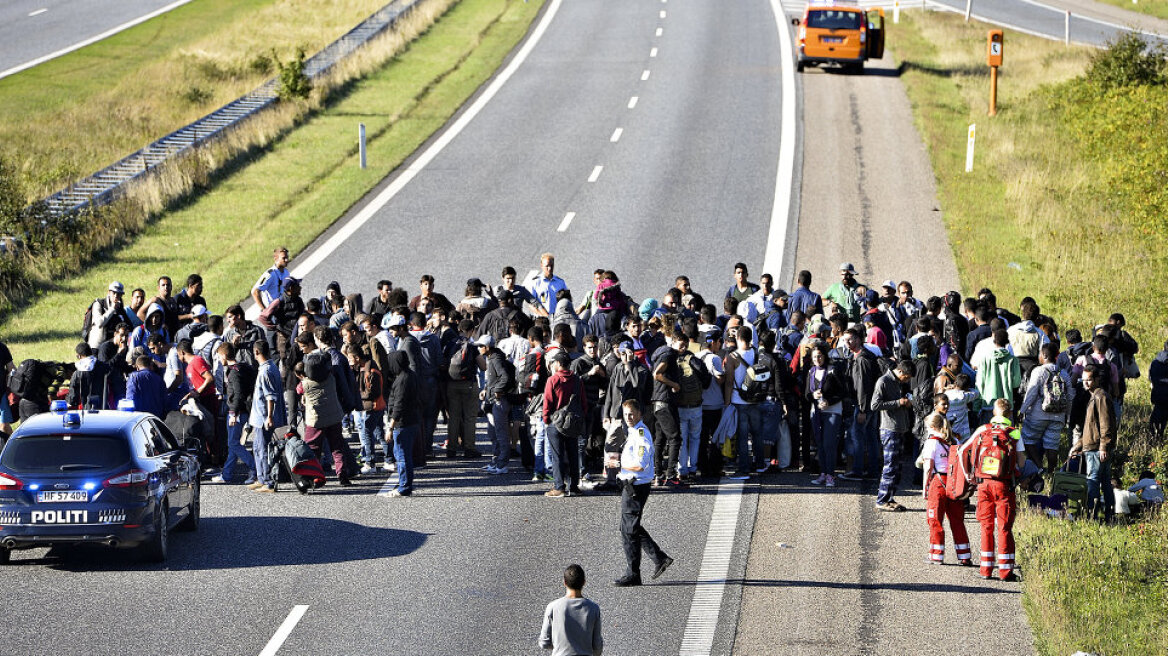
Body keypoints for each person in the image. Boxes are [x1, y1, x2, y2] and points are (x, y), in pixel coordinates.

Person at [614, 400, 673, 587]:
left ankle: (636, 571)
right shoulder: (633, 431)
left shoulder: (641, 434)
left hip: (636, 486)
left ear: (639, 413)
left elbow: (640, 464)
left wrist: (618, 465)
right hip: (631, 484)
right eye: (626, 414)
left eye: (631, 414)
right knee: (629, 528)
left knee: (629, 529)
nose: (628, 418)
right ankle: (656, 560)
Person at [969, 399, 1025, 581]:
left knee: (986, 527)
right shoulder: (1014, 433)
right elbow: (1022, 462)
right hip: (1004, 484)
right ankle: (1006, 571)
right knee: (1004, 528)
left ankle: (985, 570)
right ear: (1009, 414)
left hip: (983, 484)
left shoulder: (982, 430)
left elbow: (964, 450)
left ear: (994, 413)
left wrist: (971, 476)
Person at [915, 412, 972, 566]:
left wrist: (924, 488)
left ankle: (936, 555)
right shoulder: (954, 439)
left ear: (932, 427)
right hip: (954, 483)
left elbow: (928, 468)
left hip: (938, 482)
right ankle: (964, 555)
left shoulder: (931, 442)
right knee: (957, 520)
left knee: (935, 520)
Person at [1069, 364, 1115, 521]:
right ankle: (1108, 515)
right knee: (1104, 481)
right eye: (1083, 380)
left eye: (1089, 380)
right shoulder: (1094, 396)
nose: (1085, 383)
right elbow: (1091, 428)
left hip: (1097, 449)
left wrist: (1104, 446)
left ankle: (1092, 515)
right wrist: (1078, 446)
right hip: (1093, 446)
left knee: (1093, 481)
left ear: (1097, 379)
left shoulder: (1100, 397)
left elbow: (1105, 424)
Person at [1018, 343, 1071, 474]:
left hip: (1037, 414)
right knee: (1052, 444)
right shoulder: (1064, 373)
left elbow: (1031, 393)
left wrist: (1022, 411)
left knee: (1027, 440)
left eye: (1040, 354)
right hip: (1058, 415)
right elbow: (1070, 396)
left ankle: (1039, 467)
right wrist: (1067, 416)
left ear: (1045, 355)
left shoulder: (1039, 371)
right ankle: (1052, 471)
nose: (1039, 356)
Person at [872, 360, 915, 511]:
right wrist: (898, 402)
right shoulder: (883, 381)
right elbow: (875, 405)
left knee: (897, 468)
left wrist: (906, 402)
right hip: (889, 429)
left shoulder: (898, 382)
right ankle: (882, 500)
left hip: (900, 428)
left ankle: (889, 498)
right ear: (901, 371)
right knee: (890, 467)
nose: (908, 380)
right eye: (907, 377)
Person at [543, 352, 587, 497]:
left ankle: (559, 486)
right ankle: (574, 486)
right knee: (573, 454)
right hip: (572, 422)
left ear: (558, 363)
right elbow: (583, 401)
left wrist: (546, 419)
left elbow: (548, 402)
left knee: (557, 455)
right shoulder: (577, 380)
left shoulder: (553, 379)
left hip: (556, 422)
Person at [213, 342, 257, 485]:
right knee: (233, 444)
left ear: (224, 355)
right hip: (242, 411)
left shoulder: (233, 373)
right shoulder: (241, 368)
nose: (219, 359)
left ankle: (255, 467)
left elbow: (238, 394)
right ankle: (227, 474)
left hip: (237, 412)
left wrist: (233, 413)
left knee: (233, 443)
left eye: (219, 356)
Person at [540, 564, 603, 656]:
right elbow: (597, 646)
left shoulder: (553, 607)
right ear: (584, 582)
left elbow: (544, 643)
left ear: (564, 582)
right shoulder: (593, 608)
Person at [248, 340, 285, 493]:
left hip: (264, 418)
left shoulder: (266, 371)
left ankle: (268, 481)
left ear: (256, 352)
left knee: (263, 449)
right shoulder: (270, 367)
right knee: (257, 448)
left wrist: (269, 416)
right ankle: (261, 477)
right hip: (258, 418)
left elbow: (270, 396)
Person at [807, 345, 844, 487]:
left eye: (820, 356)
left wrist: (829, 401)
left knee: (829, 443)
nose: (818, 359)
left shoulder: (833, 370)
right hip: (816, 411)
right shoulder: (811, 372)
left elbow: (842, 392)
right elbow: (806, 394)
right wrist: (812, 395)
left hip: (833, 410)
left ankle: (831, 475)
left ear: (825, 356)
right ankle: (823, 473)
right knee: (820, 444)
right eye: (815, 356)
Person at [384, 350, 420, 497]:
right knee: (405, 455)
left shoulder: (402, 380)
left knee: (402, 456)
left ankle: (404, 486)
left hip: (402, 423)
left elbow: (398, 405)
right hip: (412, 420)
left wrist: (390, 427)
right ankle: (405, 483)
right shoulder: (410, 375)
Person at [67, 342, 112, 410]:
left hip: (85, 410)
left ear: (79, 356)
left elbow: (72, 398)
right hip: (104, 408)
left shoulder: (77, 373)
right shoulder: (105, 367)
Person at [125, 355, 168, 419]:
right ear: (151, 365)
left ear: (137, 367)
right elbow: (164, 399)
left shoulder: (134, 377)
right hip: (156, 418)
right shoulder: (159, 379)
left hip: (140, 419)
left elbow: (130, 398)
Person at [87, 281, 126, 350]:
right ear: (109, 292)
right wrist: (112, 309)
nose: (116, 296)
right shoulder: (98, 304)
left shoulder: (120, 307)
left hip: (112, 345)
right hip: (97, 346)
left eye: (119, 294)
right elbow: (99, 323)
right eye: (114, 293)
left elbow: (126, 323)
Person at [251, 247, 291, 313]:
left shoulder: (286, 272)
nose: (287, 260)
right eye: (284, 258)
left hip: (283, 308)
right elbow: (255, 292)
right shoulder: (270, 274)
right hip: (273, 311)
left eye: (287, 257)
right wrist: (264, 310)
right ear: (276, 259)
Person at [1149, 339, 1168, 438]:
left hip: (1157, 393)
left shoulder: (1155, 362)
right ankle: (1159, 434)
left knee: (1157, 414)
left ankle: (1154, 435)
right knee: (1164, 418)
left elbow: (1150, 378)